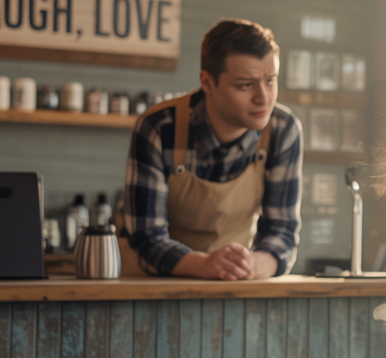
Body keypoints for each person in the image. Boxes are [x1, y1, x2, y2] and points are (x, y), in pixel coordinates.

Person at [120, 19, 302, 279]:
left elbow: (281, 230)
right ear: (207, 82)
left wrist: (256, 264)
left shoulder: (283, 129)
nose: (264, 97)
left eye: (270, 80)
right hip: (154, 289)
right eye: (245, 85)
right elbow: (147, 237)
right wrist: (203, 265)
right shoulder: (158, 128)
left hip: (233, 284)